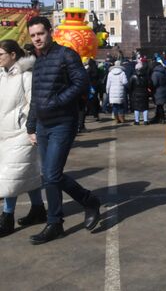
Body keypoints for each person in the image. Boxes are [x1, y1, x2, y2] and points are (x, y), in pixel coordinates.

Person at [25, 17, 100, 244]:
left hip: (62, 123)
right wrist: (31, 125)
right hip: (42, 125)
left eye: (41, 33)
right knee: (49, 176)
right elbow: (35, 99)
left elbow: (82, 83)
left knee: (52, 174)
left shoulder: (67, 55)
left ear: (51, 32)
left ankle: (87, 201)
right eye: (33, 35)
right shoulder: (37, 62)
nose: (37, 38)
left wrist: (57, 101)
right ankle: (55, 222)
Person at [0, 40, 45, 237]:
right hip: (4, 133)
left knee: (10, 176)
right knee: (27, 175)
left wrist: (24, 121)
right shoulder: (2, 76)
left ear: (12, 55)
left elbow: (33, 102)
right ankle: (38, 209)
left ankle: (6, 218)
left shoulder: (26, 76)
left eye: (1, 54)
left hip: (22, 133)